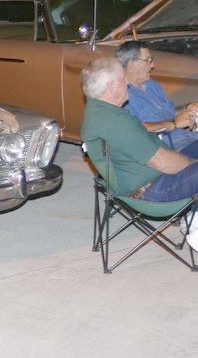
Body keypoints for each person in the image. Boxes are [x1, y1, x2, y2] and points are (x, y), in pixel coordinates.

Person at [80, 57, 198, 249]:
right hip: (153, 190)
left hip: (152, 179)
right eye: (122, 79)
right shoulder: (113, 122)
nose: (127, 82)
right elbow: (164, 163)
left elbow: (142, 132)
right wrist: (192, 164)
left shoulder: (103, 112)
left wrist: (174, 123)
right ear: (111, 87)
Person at [115, 40, 198, 151]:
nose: (152, 65)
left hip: (189, 138)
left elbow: (171, 112)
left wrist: (187, 109)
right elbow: (134, 130)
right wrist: (173, 123)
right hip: (172, 149)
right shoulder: (122, 96)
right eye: (148, 60)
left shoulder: (152, 85)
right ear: (132, 64)